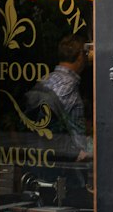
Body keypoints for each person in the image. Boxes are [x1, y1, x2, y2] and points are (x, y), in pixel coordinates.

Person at [30, 35, 92, 163]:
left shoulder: (47, 80)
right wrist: (77, 152)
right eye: (86, 53)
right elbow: (51, 123)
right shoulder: (67, 86)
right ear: (80, 56)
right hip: (69, 164)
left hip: (46, 158)